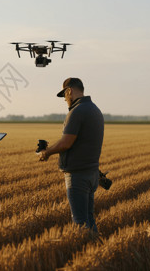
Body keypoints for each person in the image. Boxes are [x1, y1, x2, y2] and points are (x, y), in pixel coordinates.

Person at [38, 77, 104, 233]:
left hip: (78, 176)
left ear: (69, 91)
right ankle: (95, 249)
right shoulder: (95, 109)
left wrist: (46, 152)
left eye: (64, 95)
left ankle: (87, 253)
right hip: (91, 173)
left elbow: (66, 143)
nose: (65, 99)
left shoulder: (77, 111)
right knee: (89, 218)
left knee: (80, 223)